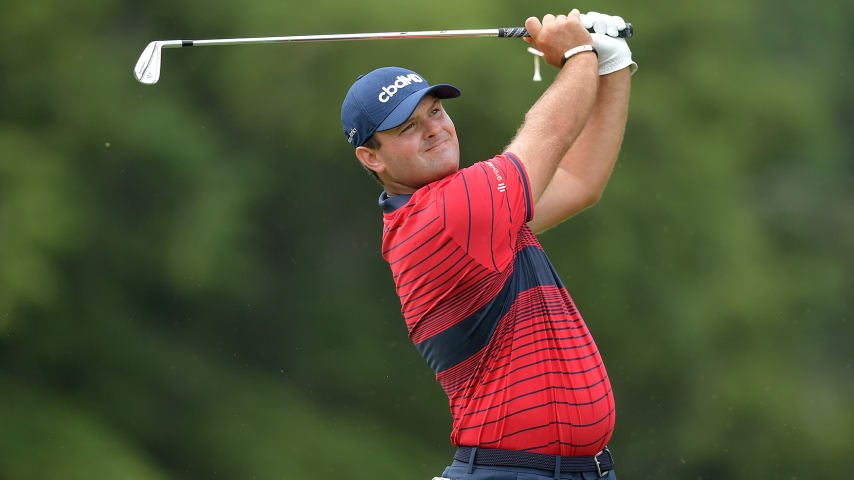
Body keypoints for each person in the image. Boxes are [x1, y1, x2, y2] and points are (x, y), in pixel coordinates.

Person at [340, 9, 635, 480]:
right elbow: (551, 131)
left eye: (434, 111)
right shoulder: (443, 215)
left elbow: (580, 181)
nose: (435, 128)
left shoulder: (479, 214)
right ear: (370, 156)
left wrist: (612, 64)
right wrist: (579, 53)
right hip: (510, 472)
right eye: (407, 127)